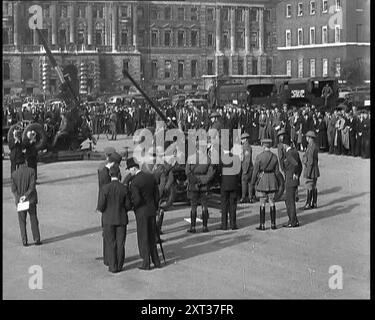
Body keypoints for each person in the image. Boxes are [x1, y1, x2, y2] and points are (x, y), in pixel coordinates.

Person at [127, 158, 161, 270]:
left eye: (129, 169)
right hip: (152, 210)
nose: (129, 172)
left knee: (143, 237)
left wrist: (132, 207)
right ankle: (156, 260)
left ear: (134, 168)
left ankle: (146, 262)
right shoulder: (150, 177)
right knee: (152, 236)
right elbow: (157, 195)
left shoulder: (135, 182)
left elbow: (137, 200)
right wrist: (155, 207)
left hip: (142, 212)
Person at [97, 164, 131, 273]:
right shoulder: (124, 188)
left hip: (108, 219)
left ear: (110, 175)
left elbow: (101, 206)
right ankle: (120, 265)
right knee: (120, 243)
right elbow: (128, 206)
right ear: (119, 174)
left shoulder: (105, 188)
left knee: (111, 243)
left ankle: (112, 266)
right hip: (121, 219)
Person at [11, 154, 41, 247]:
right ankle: (36, 239)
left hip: (20, 201)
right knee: (33, 218)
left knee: (22, 221)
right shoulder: (31, 171)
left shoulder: (14, 174)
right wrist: (25, 196)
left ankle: (25, 241)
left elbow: (13, 189)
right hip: (30, 200)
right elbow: (32, 187)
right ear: (25, 161)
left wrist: (19, 197)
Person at [250, 139, 280, 231]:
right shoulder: (274, 157)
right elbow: (277, 171)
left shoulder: (259, 157)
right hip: (272, 180)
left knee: (262, 203)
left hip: (262, 180)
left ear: (263, 145)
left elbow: (255, 171)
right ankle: (273, 224)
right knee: (272, 202)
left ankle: (262, 224)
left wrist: (253, 182)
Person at [185, 144, 216, 233]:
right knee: (204, 206)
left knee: (193, 206)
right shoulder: (208, 159)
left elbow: (187, 172)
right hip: (204, 186)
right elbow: (210, 174)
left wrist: (195, 180)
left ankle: (193, 227)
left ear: (196, 148)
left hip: (193, 185)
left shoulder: (191, 158)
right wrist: (202, 181)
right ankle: (204, 227)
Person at [281, 139, 302, 228]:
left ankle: (292, 221)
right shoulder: (295, 152)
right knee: (290, 200)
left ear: (285, 145)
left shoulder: (289, 154)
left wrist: (294, 173)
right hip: (294, 179)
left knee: (289, 201)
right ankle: (294, 220)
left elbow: (296, 164)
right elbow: (300, 165)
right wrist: (297, 174)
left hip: (290, 179)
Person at [220, 149, 241, 230]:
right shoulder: (236, 158)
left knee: (224, 205)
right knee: (233, 205)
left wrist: (221, 180)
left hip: (224, 183)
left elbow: (218, 170)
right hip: (234, 183)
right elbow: (239, 171)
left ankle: (224, 225)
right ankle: (233, 224)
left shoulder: (221, 158)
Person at [302, 131, 320, 210]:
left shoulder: (311, 147)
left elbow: (310, 160)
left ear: (309, 138)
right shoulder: (314, 146)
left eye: (307, 137)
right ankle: (314, 202)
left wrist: (308, 172)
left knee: (309, 185)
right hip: (315, 169)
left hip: (311, 169)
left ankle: (308, 203)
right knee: (314, 186)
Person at [239, 133, 254, 203]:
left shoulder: (246, 147)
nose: (241, 140)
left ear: (245, 139)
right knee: (249, 183)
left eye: (242, 139)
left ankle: (244, 197)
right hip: (249, 168)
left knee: (245, 182)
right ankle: (250, 197)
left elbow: (247, 159)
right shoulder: (247, 146)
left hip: (247, 168)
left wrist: (245, 170)